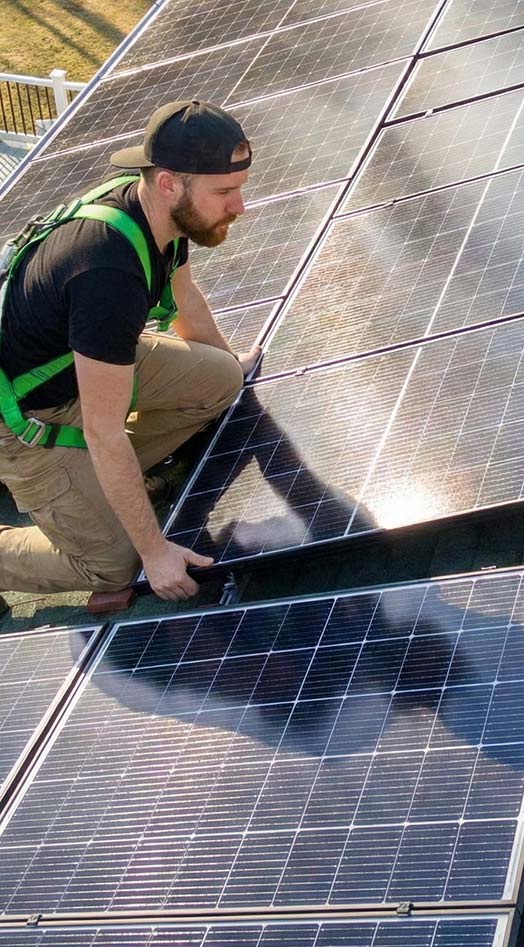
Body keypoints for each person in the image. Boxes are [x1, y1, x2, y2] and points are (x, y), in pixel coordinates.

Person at [0, 99, 261, 601]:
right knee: (114, 565)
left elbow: (184, 298)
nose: (239, 207)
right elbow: (103, 431)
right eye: (225, 192)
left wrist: (233, 366)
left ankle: (97, 491)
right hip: (21, 417)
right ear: (168, 182)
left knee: (222, 380)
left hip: (84, 368)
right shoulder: (105, 271)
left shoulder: (164, 216)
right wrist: (154, 549)